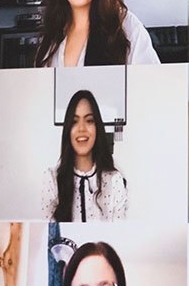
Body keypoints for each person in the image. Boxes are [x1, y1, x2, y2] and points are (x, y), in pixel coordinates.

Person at [42, 90, 128, 221]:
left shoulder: (114, 181)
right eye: (74, 122)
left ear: (97, 127)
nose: (81, 128)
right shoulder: (52, 180)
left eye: (89, 120)